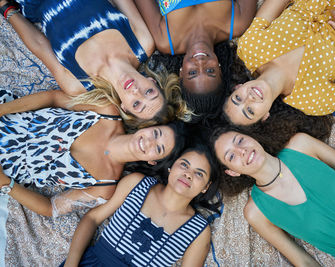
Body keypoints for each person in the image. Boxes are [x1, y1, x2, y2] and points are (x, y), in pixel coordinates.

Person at [212, 127, 335, 266]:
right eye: (231, 156)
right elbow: (303, 261)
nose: (242, 150)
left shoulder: (301, 145)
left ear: (251, 136)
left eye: (239, 140)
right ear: (233, 172)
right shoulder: (255, 212)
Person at [0, 89, 186, 217]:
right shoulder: (107, 111)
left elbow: (51, 208)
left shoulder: (104, 188)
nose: (149, 141)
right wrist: (2, 110)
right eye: (156, 133)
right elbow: (54, 97)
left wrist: (5, 184)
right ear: (150, 126)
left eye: (158, 148)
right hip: (9, 121)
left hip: (7, 168)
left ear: (153, 161)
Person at [0, 0, 182, 124]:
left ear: (125, 108)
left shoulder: (78, 84)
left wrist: (5, 7)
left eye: (136, 104)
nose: (137, 91)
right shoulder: (142, 42)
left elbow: (39, 45)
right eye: (149, 92)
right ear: (153, 82)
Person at [224, 0, 335, 125]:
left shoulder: (249, 49)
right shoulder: (309, 99)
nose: (249, 99)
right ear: (265, 116)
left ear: (238, 87)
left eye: (238, 98)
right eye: (250, 111)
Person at [62, 143, 221, 266]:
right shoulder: (137, 183)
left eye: (199, 173)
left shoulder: (198, 231)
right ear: (171, 167)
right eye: (184, 165)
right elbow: (93, 218)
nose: (188, 174)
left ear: (206, 186)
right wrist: (71, 263)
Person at [134, 0, 257, 120]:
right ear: (220, 68)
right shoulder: (237, 23)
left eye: (192, 73)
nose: (200, 62)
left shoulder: (165, 40)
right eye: (210, 70)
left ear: (181, 73)